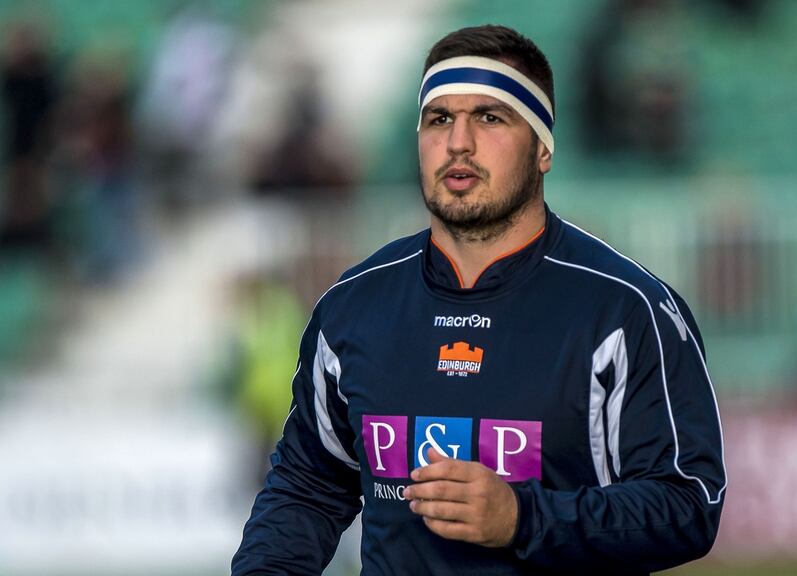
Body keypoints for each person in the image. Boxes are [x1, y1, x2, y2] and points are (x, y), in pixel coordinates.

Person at [232, 25, 726, 575]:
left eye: (490, 117)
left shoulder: (627, 311)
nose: (458, 142)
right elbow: (307, 488)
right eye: (439, 119)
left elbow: (689, 506)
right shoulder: (353, 307)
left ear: (542, 149)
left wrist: (522, 518)